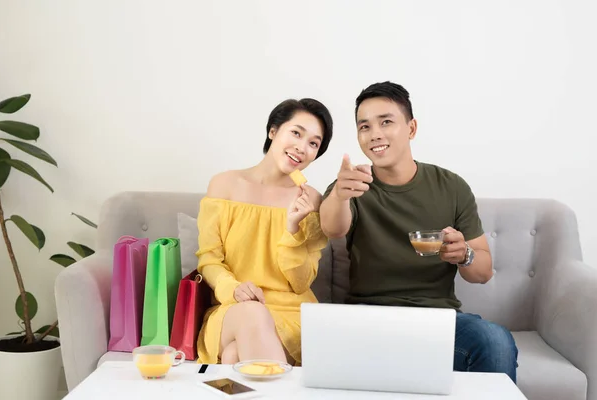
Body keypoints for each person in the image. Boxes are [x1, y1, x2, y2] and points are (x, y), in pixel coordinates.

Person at [319, 81, 518, 382]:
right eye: (364, 127)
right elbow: (333, 228)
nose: (375, 134)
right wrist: (339, 196)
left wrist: (463, 254)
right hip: (369, 319)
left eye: (386, 122)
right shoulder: (352, 185)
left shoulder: (451, 187)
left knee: (494, 340)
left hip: (437, 320)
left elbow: (483, 272)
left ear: (411, 129)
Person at [195, 98, 332, 366]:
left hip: (292, 315)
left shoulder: (312, 201)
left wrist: (293, 227)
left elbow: (301, 283)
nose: (302, 148)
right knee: (251, 315)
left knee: (235, 356)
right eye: (296, 133)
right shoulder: (224, 185)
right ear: (273, 131)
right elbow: (209, 259)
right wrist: (232, 289)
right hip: (232, 309)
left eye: (313, 144)